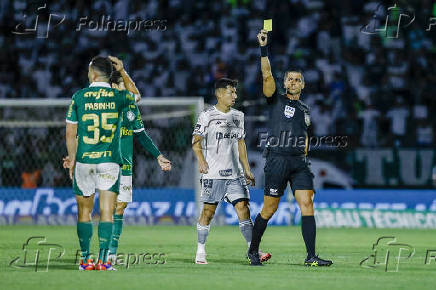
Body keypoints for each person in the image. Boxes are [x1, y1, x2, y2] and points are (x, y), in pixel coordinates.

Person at [247, 30, 332, 267]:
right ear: (284, 83)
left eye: (297, 79)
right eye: (289, 79)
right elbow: (266, 75)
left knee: (307, 203)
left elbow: (305, 136)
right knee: (269, 209)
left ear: (303, 85)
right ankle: (253, 251)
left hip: (299, 163)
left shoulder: (305, 109)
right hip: (277, 159)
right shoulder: (275, 98)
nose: (293, 82)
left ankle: (311, 256)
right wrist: (263, 48)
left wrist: (304, 157)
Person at [63, 56, 136, 271]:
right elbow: (136, 96)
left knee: (84, 212)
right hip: (109, 162)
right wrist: (123, 72)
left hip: (85, 162)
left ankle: (86, 260)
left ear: (93, 74)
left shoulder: (79, 96)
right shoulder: (118, 96)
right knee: (106, 211)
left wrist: (72, 158)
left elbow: (70, 132)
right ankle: (104, 261)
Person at [192, 78, 271, 264]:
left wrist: (247, 169)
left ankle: (253, 251)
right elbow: (196, 141)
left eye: (235, 92)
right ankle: (200, 251)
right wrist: (201, 160)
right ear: (219, 94)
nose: (235, 96)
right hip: (213, 173)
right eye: (231, 92)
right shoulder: (207, 115)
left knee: (244, 209)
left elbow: (240, 143)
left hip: (235, 175)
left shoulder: (238, 116)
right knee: (208, 213)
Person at [106, 58, 172, 266]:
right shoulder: (105, 106)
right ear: (113, 87)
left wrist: (158, 155)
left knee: (121, 206)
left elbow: (142, 135)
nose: (128, 91)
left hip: (125, 165)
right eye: (123, 86)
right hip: (105, 162)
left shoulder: (130, 109)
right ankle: (103, 250)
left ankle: (110, 253)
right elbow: (137, 95)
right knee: (108, 206)